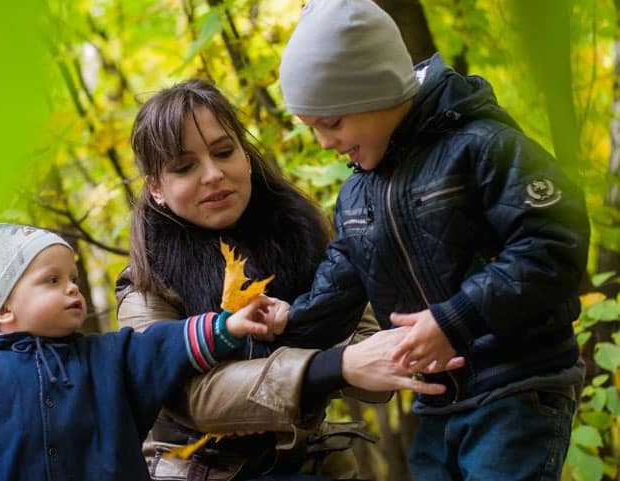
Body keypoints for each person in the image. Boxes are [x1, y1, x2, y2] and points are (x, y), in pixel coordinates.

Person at [277, 1, 590, 480]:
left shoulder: (481, 145)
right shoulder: (357, 192)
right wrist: (288, 322)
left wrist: (455, 319)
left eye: (332, 123)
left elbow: (553, 245)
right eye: (312, 128)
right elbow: (342, 278)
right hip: (438, 400)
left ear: (376, 89)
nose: (324, 142)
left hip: (517, 387)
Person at [121, 78, 464, 480]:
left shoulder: (303, 236)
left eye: (224, 151)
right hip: (199, 470)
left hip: (309, 462)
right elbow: (194, 399)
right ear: (157, 188)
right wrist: (336, 366)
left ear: (246, 156)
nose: (213, 174)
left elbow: (370, 355)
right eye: (184, 167)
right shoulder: (145, 286)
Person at [0, 223, 281, 481]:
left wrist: (226, 326)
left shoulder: (109, 356)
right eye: (52, 280)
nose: (72, 288)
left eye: (73, 278)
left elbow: (166, 345)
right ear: (5, 309)